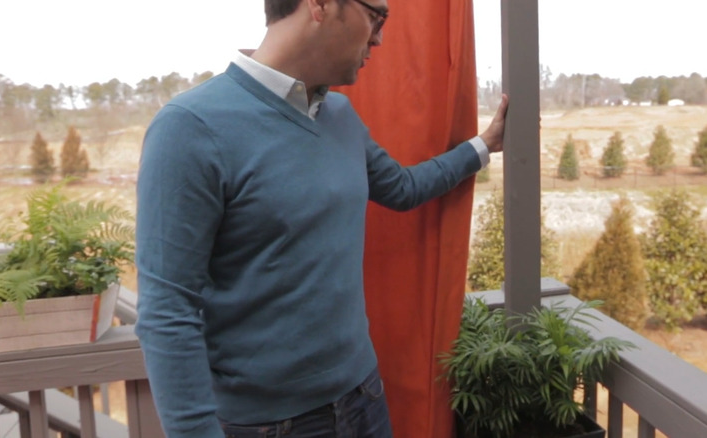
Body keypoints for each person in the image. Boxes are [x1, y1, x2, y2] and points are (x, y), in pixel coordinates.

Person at [134, 0, 509, 437]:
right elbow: (167, 312)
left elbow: (402, 189)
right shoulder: (190, 128)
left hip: (364, 399)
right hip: (267, 425)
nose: (380, 37)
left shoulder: (339, 115)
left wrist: (484, 145)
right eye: (376, 15)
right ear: (320, 5)